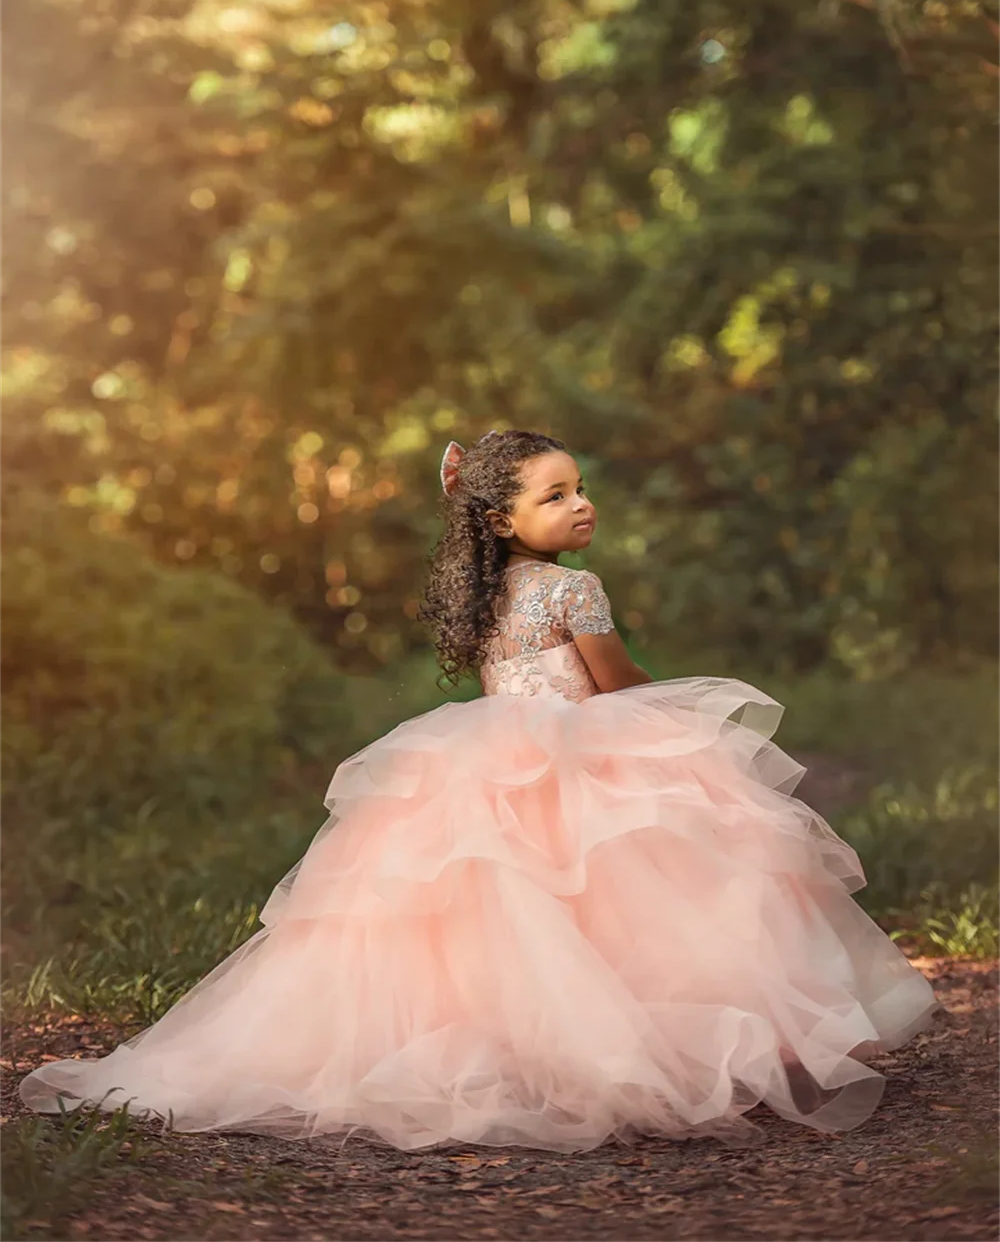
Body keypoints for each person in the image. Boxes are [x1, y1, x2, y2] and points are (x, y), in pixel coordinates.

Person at [20, 428, 938, 1152]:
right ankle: (629, 1053)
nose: (582, 504)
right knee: (632, 890)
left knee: (491, 913)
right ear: (501, 519)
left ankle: (524, 1050)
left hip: (488, 754)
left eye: (580, 487)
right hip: (579, 749)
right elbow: (615, 684)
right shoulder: (575, 591)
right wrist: (679, 723)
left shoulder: (485, 595)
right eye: (557, 494)